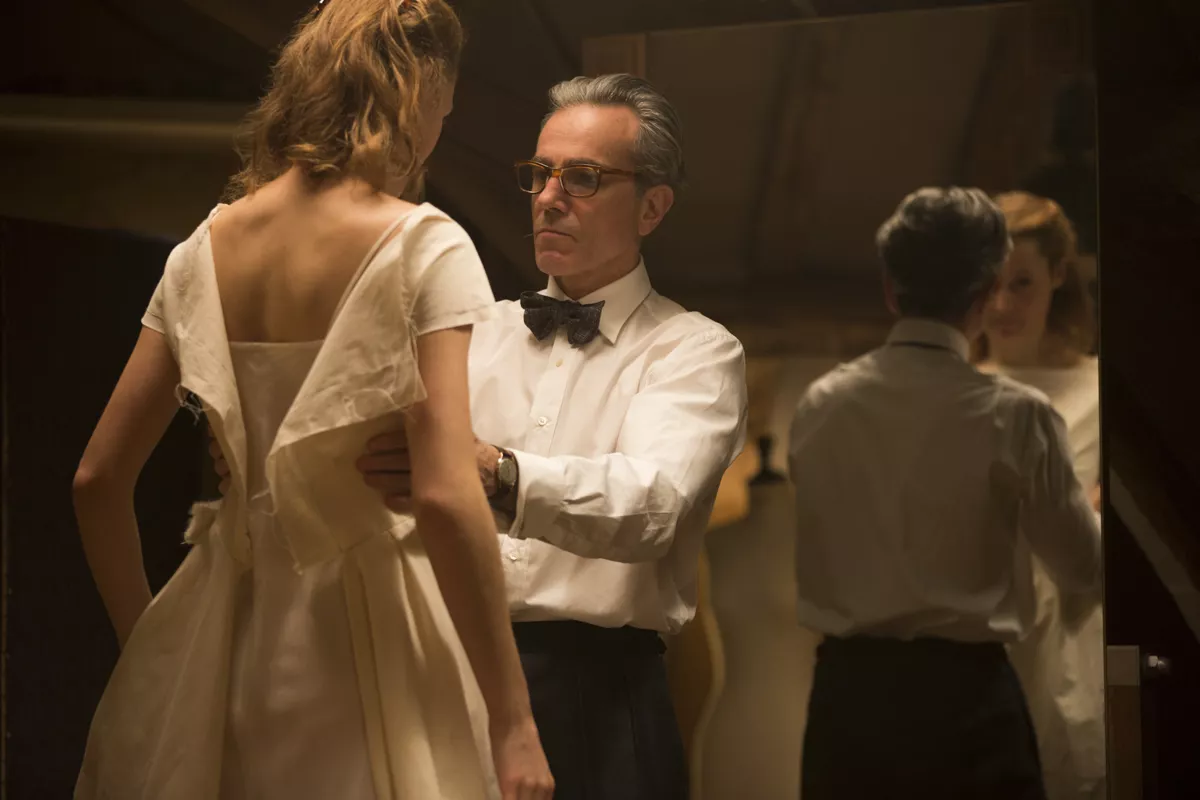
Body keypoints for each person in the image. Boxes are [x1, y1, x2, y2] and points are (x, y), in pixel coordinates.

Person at [71, 1, 552, 798]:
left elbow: (96, 480)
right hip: (368, 639)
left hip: (218, 635)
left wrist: (147, 649)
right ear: (417, 91)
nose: (441, 126)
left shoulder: (200, 251)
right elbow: (443, 493)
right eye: (444, 107)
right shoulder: (425, 245)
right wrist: (514, 720)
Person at [342, 74, 749, 799]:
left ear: (652, 207)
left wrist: (497, 472)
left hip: (600, 691)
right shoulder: (469, 333)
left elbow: (653, 504)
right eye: (541, 173)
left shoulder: (695, 351)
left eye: (584, 178)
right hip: (445, 673)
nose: (549, 198)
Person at [787, 187, 1101, 800]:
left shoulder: (822, 404)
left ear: (890, 289)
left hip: (848, 701)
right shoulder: (1018, 416)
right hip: (968, 701)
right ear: (986, 293)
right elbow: (1081, 568)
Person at [978, 191, 1104, 800]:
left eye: (1022, 283)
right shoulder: (958, 392)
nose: (1003, 304)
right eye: (991, 283)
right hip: (988, 642)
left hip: (1081, 638)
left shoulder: (1102, 391)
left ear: (1057, 275)